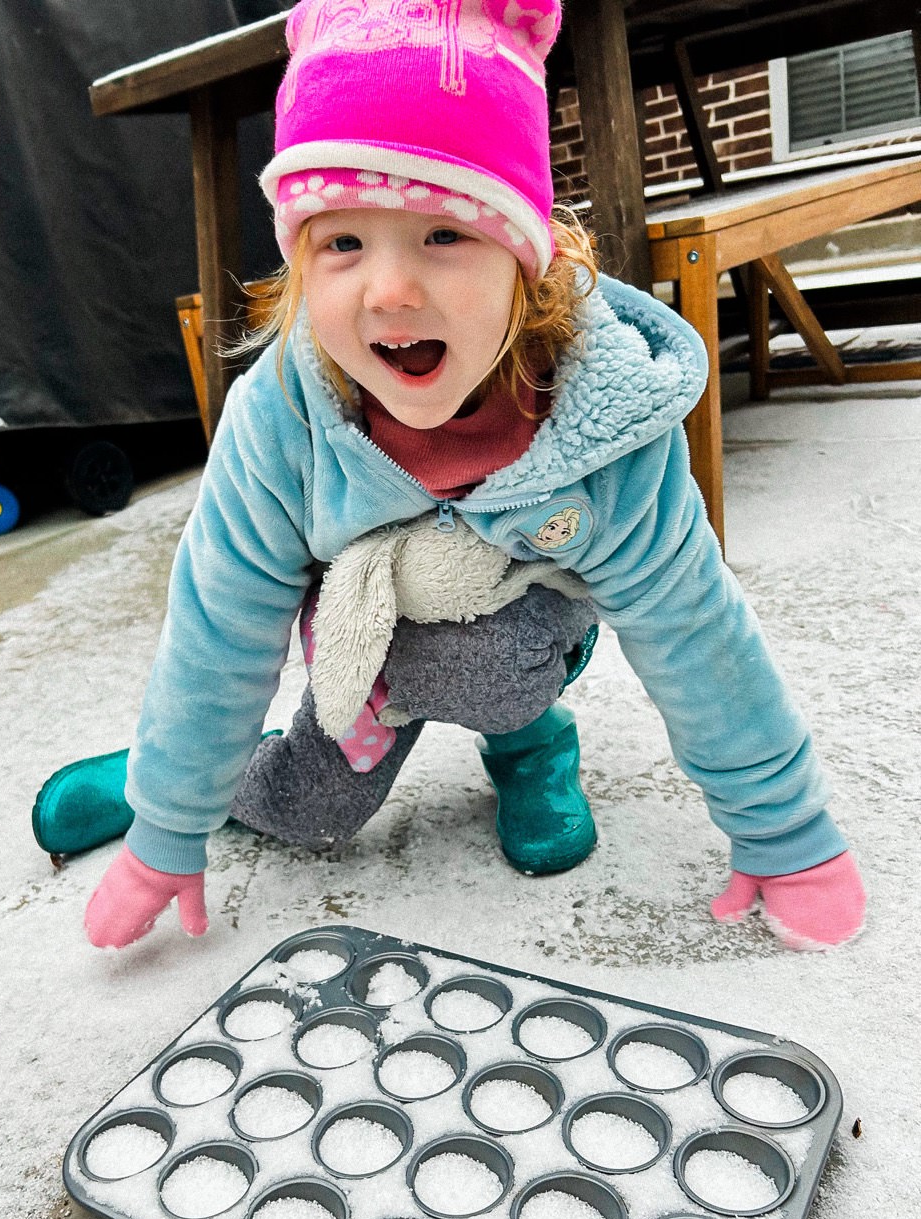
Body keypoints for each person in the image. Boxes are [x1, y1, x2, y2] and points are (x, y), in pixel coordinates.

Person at [63, 0, 864, 952]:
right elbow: (220, 624)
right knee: (315, 816)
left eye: (444, 233)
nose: (390, 290)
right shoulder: (281, 418)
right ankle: (170, 774)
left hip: (525, 630)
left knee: (490, 667)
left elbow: (693, 628)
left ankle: (531, 742)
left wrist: (787, 832)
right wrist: (167, 824)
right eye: (342, 243)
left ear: (527, 258)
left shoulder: (598, 416)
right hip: (364, 650)